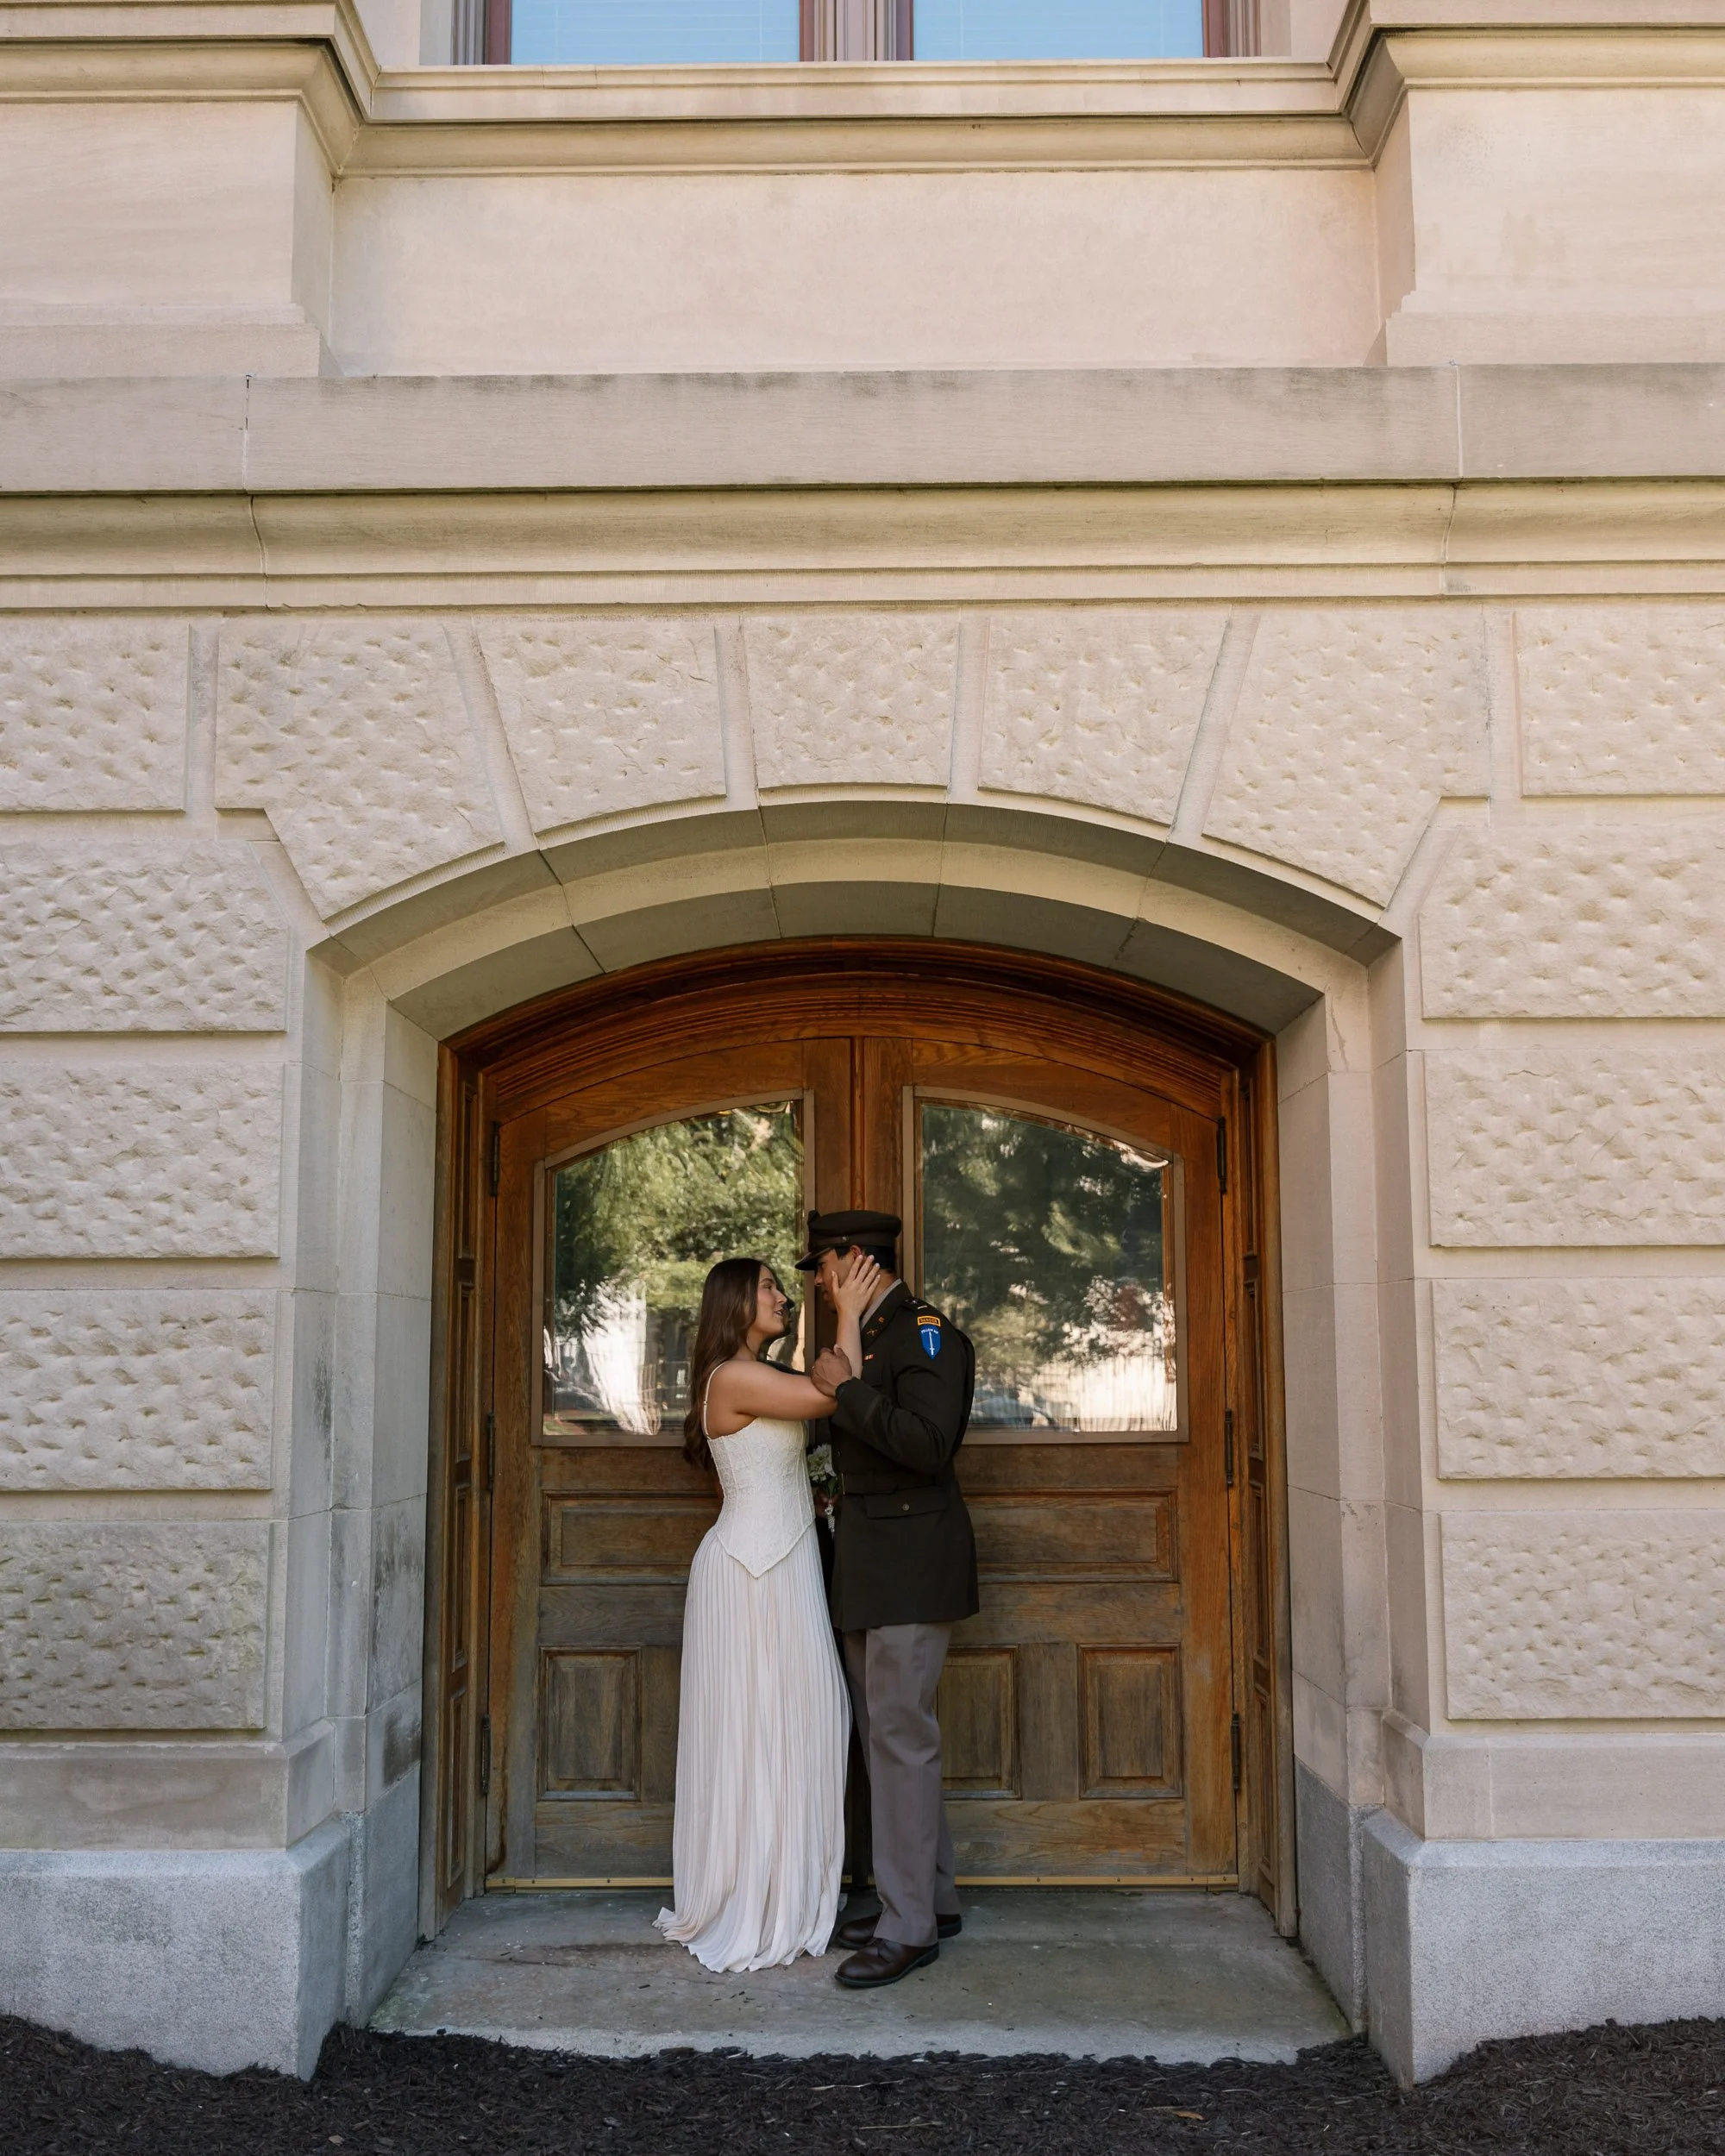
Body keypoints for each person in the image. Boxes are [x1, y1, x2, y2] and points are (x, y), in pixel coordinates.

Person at [655, 1255, 873, 1972]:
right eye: (771, 1286)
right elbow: (833, 1395)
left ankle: (788, 1885)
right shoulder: (733, 1376)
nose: (782, 1295)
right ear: (734, 1302)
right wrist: (847, 1305)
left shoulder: (752, 1375)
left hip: (787, 1565)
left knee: (808, 1719)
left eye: (784, 1285)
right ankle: (754, 1896)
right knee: (759, 1730)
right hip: (751, 1575)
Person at [799, 1210, 978, 1990]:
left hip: (910, 1563)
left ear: (854, 1261)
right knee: (888, 1742)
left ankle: (908, 1928)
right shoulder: (862, 1335)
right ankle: (929, 1900)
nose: (812, 1279)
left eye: (821, 1264)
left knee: (901, 1742)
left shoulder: (926, 1333)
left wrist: (847, 1395)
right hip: (869, 1567)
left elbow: (929, 1445)